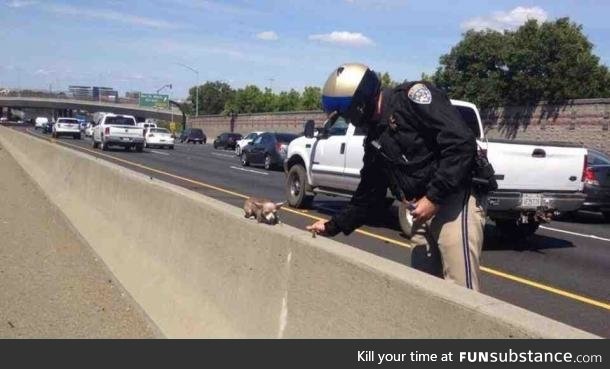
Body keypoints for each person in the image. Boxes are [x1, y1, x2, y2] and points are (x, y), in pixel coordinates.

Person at [306, 63, 487, 291]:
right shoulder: (375, 138)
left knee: (461, 290)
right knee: (423, 288)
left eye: (348, 114)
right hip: (422, 209)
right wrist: (332, 226)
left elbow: (461, 143)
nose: (350, 121)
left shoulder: (413, 99)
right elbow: (368, 196)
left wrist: (434, 198)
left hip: (454, 199)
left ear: (360, 104)